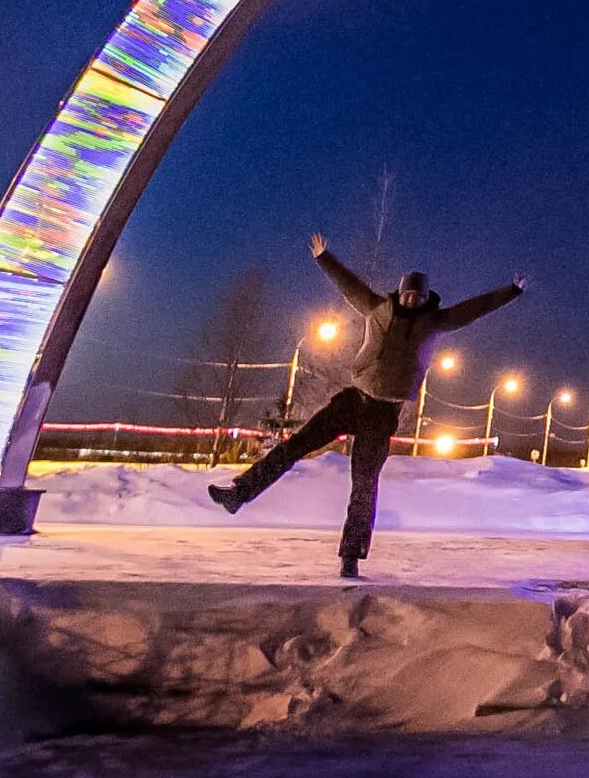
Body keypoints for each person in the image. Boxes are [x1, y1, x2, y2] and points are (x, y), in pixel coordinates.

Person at [208, 232, 524, 578]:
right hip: (353, 400)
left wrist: (511, 292)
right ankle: (239, 493)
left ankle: (351, 555)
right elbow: (348, 285)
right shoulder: (377, 308)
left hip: (383, 413)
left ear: (425, 298)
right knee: (296, 445)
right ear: (400, 291)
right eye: (407, 293)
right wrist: (323, 257)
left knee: (364, 483)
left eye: (418, 296)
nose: (412, 299)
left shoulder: (435, 322)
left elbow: (472, 310)